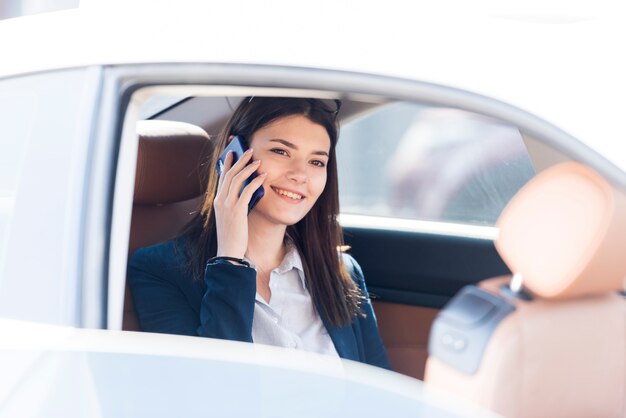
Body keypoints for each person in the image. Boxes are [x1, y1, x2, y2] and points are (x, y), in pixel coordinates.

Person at [128, 97, 390, 369]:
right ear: (235, 155)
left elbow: (382, 391)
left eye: (316, 162)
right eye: (281, 152)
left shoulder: (342, 272)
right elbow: (209, 391)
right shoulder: (159, 270)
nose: (300, 174)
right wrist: (230, 260)